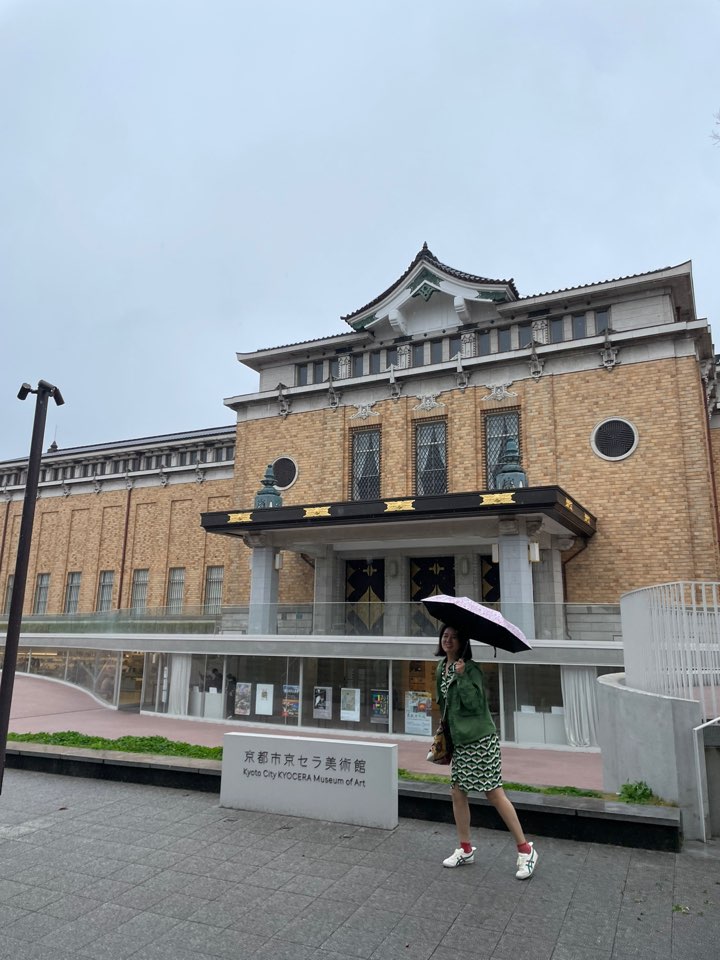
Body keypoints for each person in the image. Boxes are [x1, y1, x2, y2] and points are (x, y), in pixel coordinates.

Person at [435, 623, 539, 879]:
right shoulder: (441, 668)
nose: (448, 640)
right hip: (460, 741)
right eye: (445, 636)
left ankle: (526, 850)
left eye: (454, 637)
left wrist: (461, 677)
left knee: (493, 792)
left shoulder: (471, 669)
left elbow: (474, 704)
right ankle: (465, 849)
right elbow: (443, 703)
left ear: (463, 643)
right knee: (457, 792)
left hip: (480, 740)